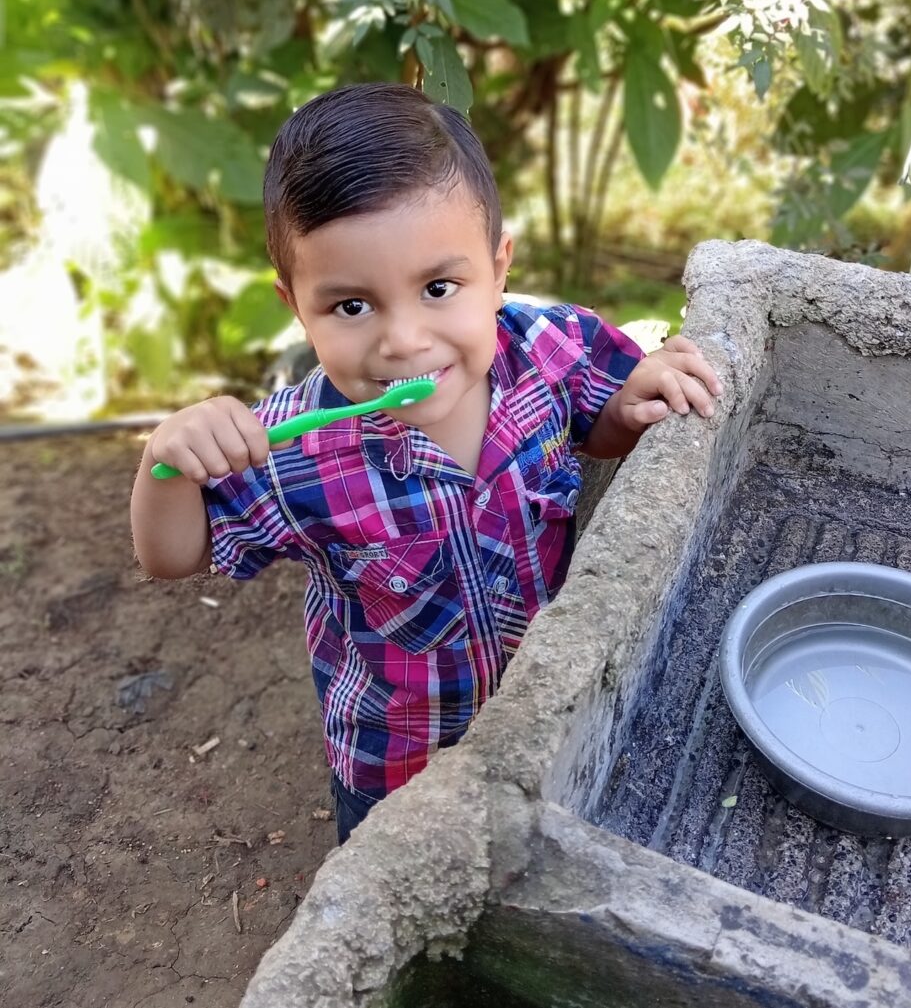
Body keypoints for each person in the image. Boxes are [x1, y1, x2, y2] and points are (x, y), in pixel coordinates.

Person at [130, 82, 722, 845]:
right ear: (296, 305)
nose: (405, 340)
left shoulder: (549, 347)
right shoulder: (290, 450)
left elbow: (598, 433)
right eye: (351, 306)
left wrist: (629, 407)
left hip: (542, 724)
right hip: (393, 762)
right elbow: (171, 555)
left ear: (498, 267)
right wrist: (165, 463)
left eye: (439, 288)